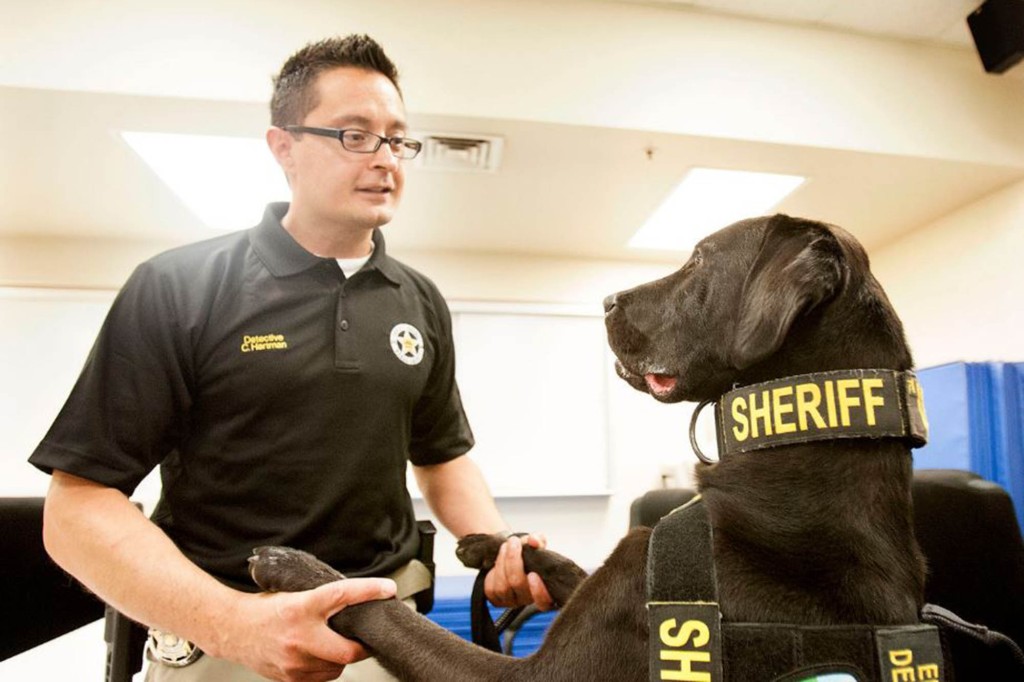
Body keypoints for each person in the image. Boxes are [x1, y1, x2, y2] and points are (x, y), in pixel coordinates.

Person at [30, 34, 551, 682]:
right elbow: (76, 508)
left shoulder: (419, 300)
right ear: (284, 148)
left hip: (381, 637)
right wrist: (233, 624)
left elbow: (441, 455)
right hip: (220, 639)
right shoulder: (179, 285)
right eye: (354, 134)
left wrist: (495, 541)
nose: (385, 157)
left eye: (397, 138)